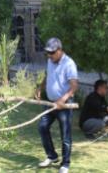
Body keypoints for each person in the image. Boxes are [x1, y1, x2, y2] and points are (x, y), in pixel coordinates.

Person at [35, 38, 78, 173]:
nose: (49, 55)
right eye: (48, 53)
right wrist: (40, 88)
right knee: (42, 127)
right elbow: (48, 76)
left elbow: (74, 86)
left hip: (64, 105)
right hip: (50, 103)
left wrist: (62, 100)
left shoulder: (69, 64)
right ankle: (52, 156)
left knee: (65, 135)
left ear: (59, 50)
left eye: (52, 53)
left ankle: (65, 164)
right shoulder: (50, 60)